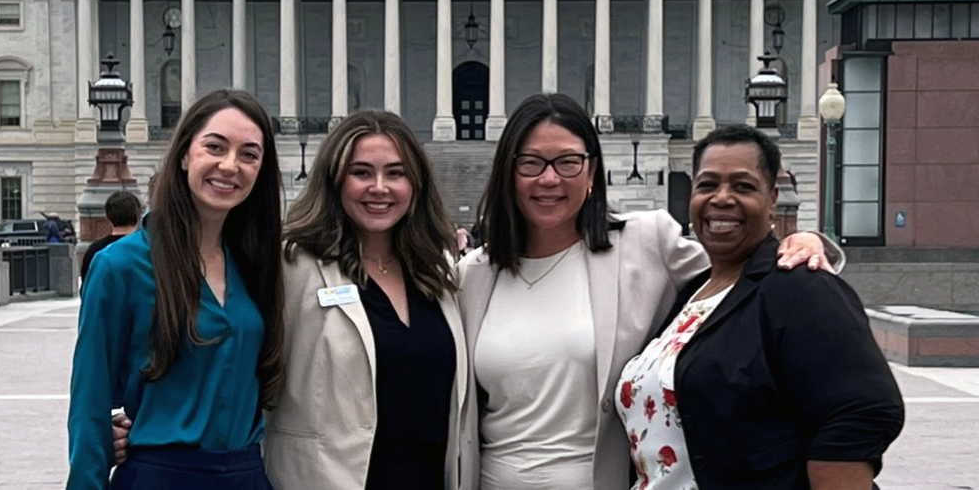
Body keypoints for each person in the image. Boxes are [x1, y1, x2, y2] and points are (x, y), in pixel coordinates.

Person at [457, 93, 839, 490]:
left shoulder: (644, 242)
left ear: (591, 174)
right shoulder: (474, 275)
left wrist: (806, 242)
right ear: (509, 172)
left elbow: (743, 267)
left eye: (569, 162)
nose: (549, 178)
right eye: (531, 162)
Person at [615, 125, 903, 489]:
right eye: (707, 185)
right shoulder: (689, 293)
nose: (721, 198)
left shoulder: (799, 286)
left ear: (772, 199)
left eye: (742, 186)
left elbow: (861, 410)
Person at [67, 89, 286, 490]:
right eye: (215, 147)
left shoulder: (259, 264)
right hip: (160, 477)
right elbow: (90, 401)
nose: (230, 165)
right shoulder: (120, 267)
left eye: (249, 154)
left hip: (246, 476)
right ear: (185, 154)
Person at [261, 110, 467, 490]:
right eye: (361, 173)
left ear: (415, 183)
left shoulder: (436, 273)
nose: (379, 187)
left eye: (395, 173)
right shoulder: (292, 265)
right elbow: (245, 374)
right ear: (335, 181)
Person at [79, 190, 143, 292]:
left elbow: (86, 290)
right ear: (137, 215)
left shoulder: (95, 251)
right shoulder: (147, 249)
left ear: (108, 217)